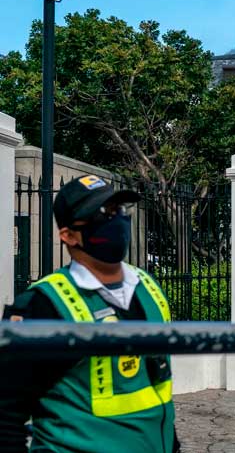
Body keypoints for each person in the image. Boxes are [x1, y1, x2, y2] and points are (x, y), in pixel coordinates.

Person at [0, 175, 179, 453]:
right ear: (68, 236)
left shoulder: (149, 288)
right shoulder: (41, 306)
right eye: (102, 214)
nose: (116, 219)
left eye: (118, 210)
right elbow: (5, 416)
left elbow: (156, 389)